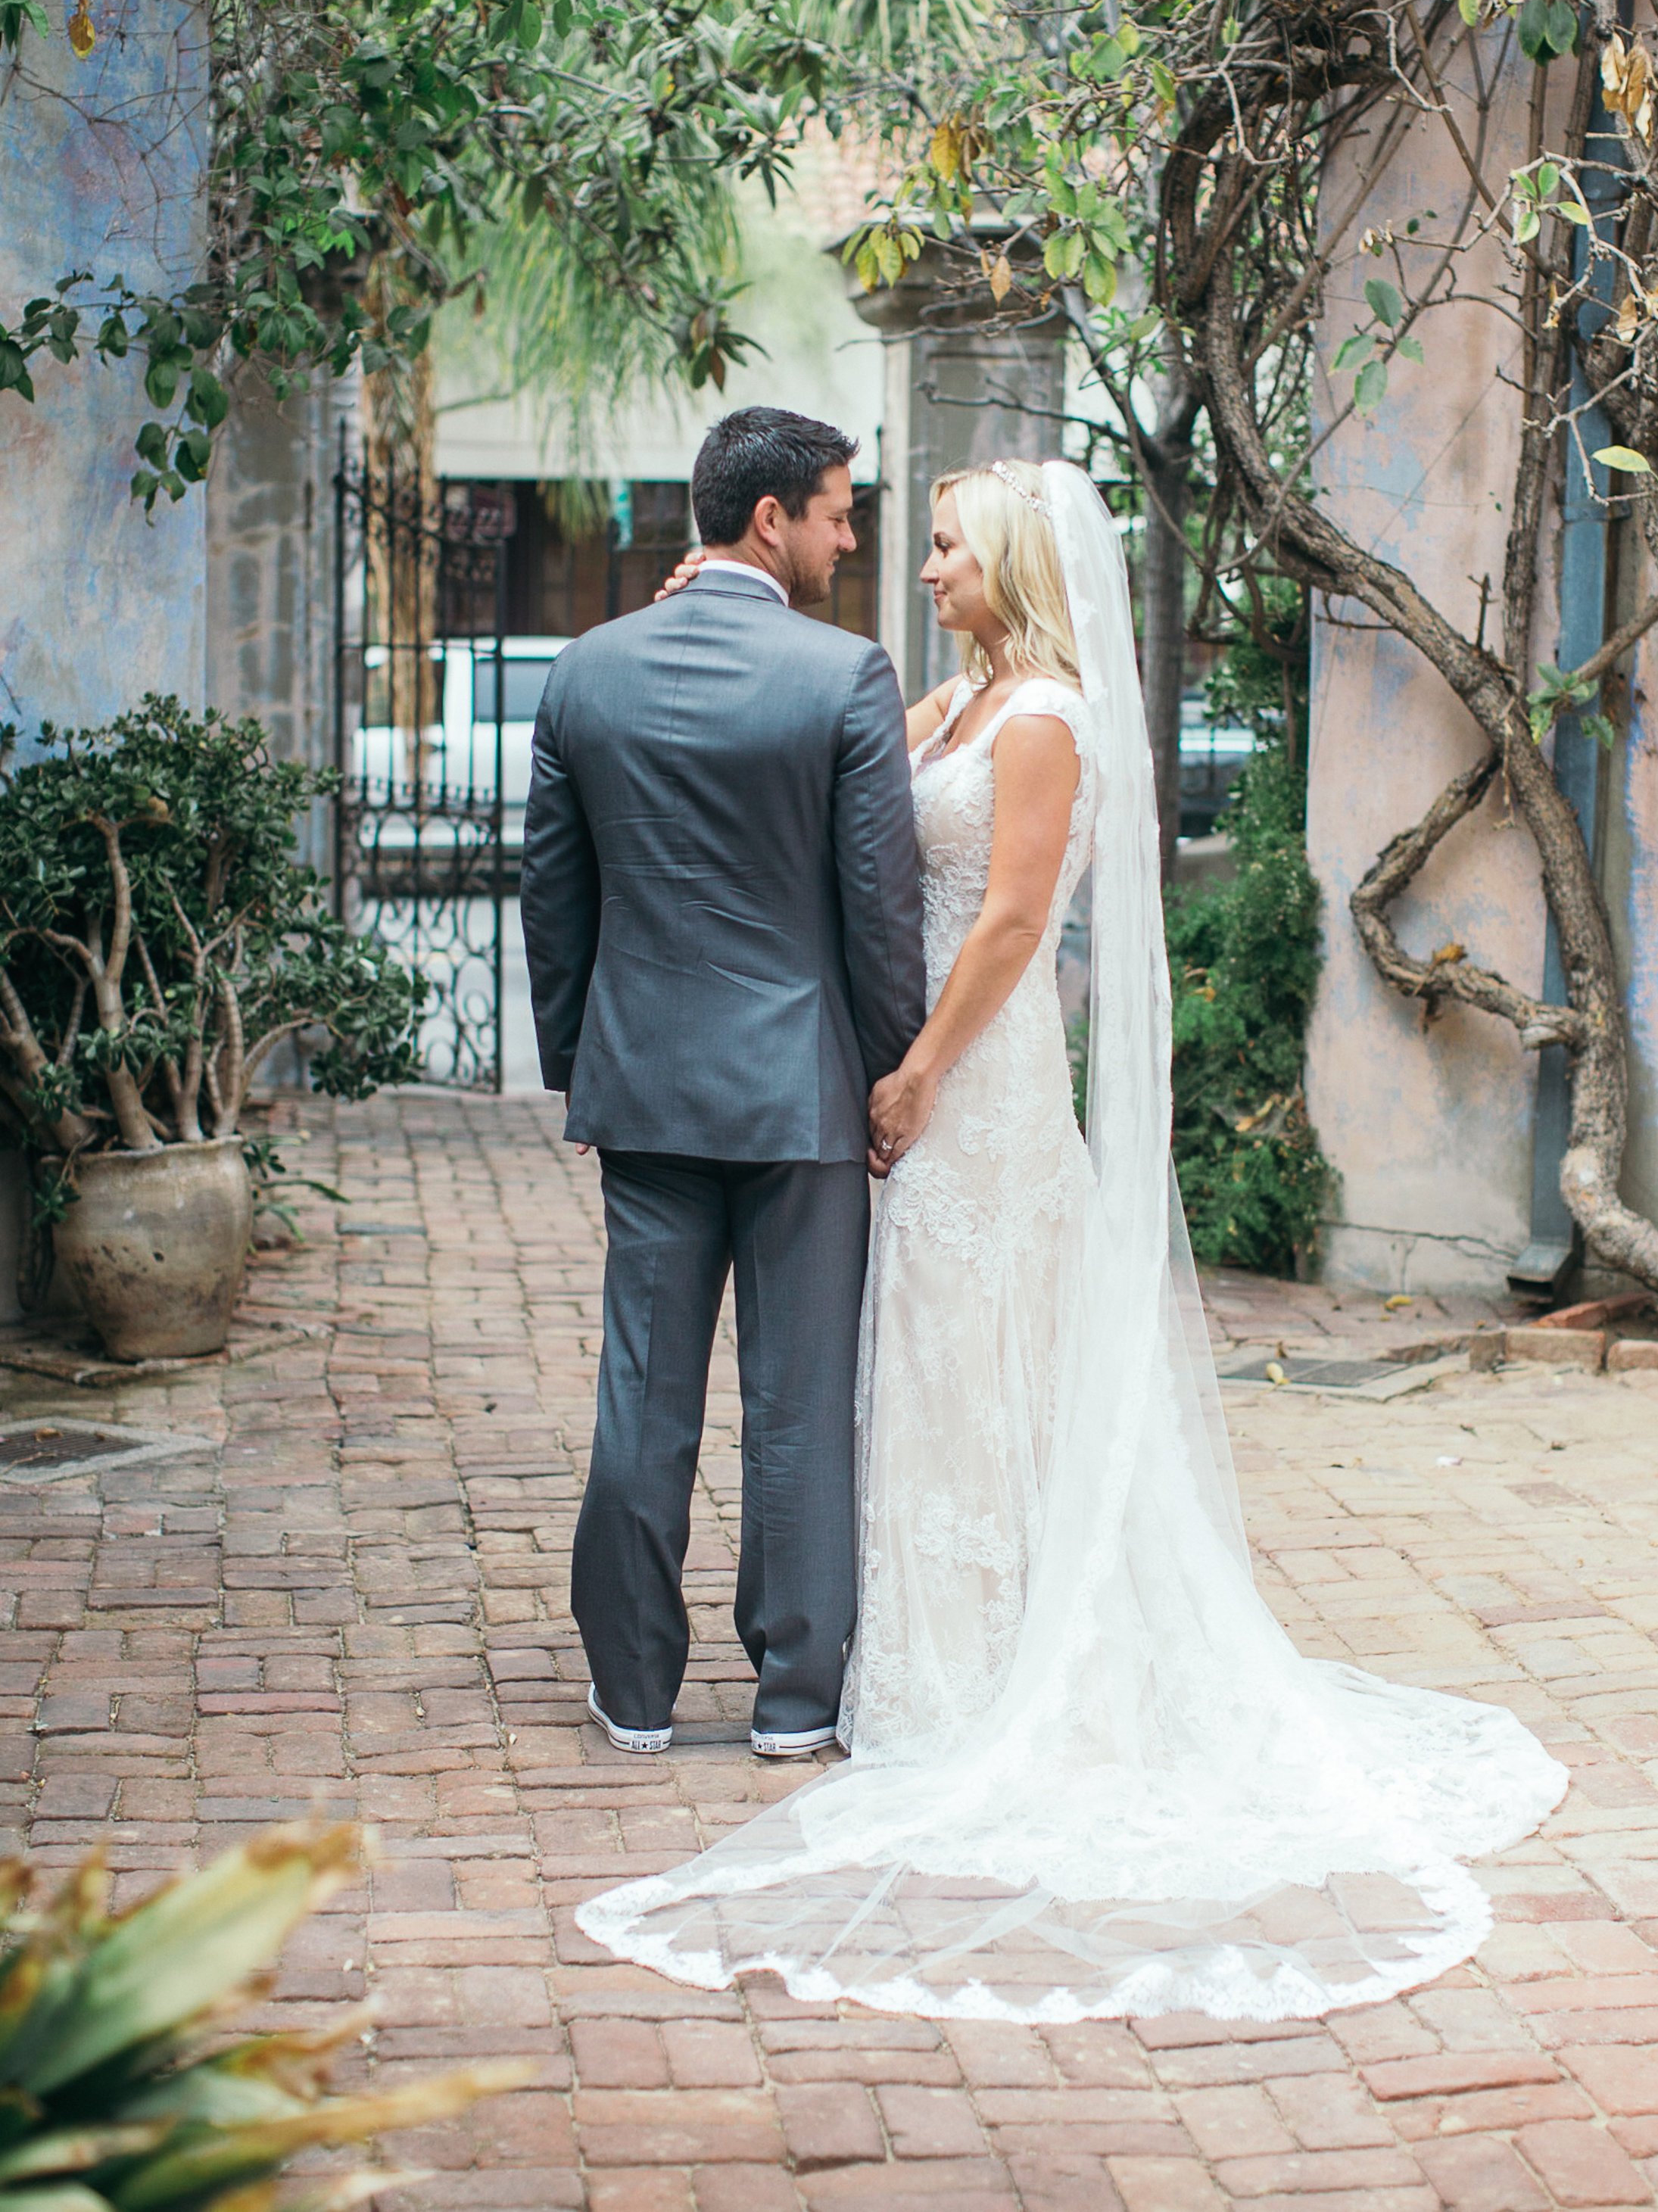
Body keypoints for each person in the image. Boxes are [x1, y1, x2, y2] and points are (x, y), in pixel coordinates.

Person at [576, 456, 1568, 2024]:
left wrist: (908, 1069)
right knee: (920, 1352)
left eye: (948, 547)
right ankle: (912, 1647)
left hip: (978, 1076)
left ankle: (988, 1667)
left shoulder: (1042, 722)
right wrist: (698, 640)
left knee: (982, 1345)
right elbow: (811, 753)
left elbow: (1011, 923)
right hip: (917, 1078)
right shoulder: (958, 707)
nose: (922, 566)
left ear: (1015, 561)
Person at [519, 406, 926, 1762]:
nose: (849, 536)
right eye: (835, 511)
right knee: (800, 1401)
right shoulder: (843, 676)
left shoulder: (585, 673)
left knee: (644, 1390)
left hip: (644, 1090)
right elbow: (881, 912)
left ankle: (632, 1688)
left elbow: (552, 899)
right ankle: (796, 1699)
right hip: (803, 1097)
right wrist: (892, 1076)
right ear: (771, 521)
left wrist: (582, 1069)